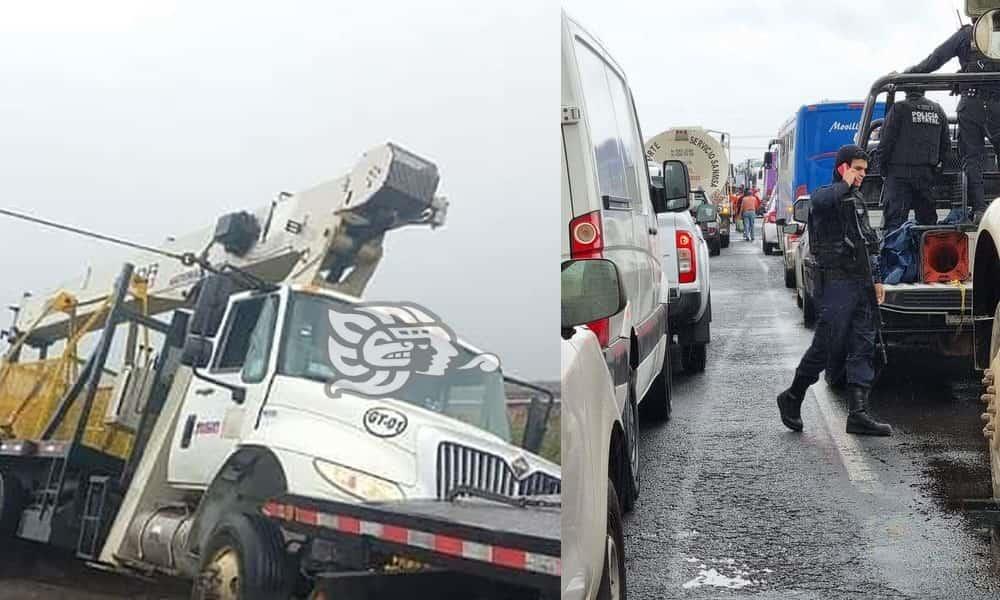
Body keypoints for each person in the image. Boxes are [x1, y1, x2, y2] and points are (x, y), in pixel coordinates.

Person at [776, 145, 892, 437]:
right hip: (837, 284)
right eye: (857, 169)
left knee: (863, 345)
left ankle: (858, 414)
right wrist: (845, 183)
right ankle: (792, 396)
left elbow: (869, 243)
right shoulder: (827, 195)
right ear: (842, 167)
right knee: (826, 347)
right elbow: (821, 200)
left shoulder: (857, 200)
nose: (863, 175)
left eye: (865, 170)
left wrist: (877, 279)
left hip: (861, 283)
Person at [903, 22, 1000, 223]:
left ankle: (980, 209)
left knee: (972, 158)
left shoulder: (967, 34)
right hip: (998, 105)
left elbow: (936, 59)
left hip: (971, 104)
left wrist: (910, 74)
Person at [878, 90, 951, 232]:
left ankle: (896, 253)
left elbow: (885, 143)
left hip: (899, 174)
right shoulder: (937, 109)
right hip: (926, 174)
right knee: (927, 223)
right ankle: (925, 253)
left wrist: (882, 168)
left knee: (895, 224)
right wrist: (937, 171)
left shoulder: (899, 109)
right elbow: (946, 146)